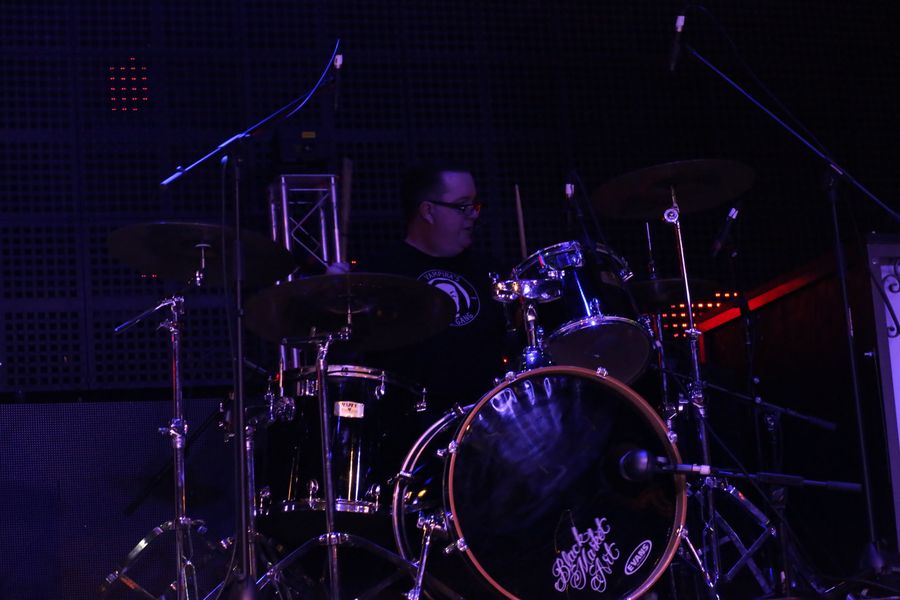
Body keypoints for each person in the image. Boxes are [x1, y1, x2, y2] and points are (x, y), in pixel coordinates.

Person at [335, 161, 510, 415]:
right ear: (428, 211)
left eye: (475, 205)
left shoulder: (490, 270)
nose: (474, 215)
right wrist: (331, 297)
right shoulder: (380, 273)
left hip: (489, 418)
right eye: (462, 206)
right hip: (409, 424)